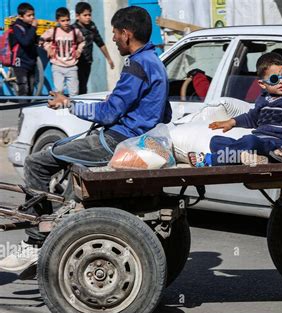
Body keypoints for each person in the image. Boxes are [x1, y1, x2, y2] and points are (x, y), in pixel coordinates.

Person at [0, 6, 172, 274]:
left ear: (126, 34)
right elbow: (162, 111)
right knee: (69, 160)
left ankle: (35, 240)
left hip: (116, 140)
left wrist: (69, 104)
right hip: (131, 137)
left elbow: (108, 113)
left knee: (36, 162)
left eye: (115, 33)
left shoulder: (136, 64)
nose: (113, 39)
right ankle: (60, 223)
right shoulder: (155, 61)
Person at [187, 52, 282, 167]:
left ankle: (210, 159)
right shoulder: (263, 99)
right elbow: (251, 118)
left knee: (249, 141)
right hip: (258, 140)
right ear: (262, 84)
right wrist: (232, 122)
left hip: (275, 145)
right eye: (274, 79)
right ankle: (245, 158)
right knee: (216, 141)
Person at [40, 7, 85, 96]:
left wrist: (79, 50)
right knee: (59, 91)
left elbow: (82, 41)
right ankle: (60, 108)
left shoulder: (75, 32)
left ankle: (73, 109)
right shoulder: (54, 31)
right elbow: (41, 40)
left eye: (68, 20)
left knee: (74, 92)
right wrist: (48, 48)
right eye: (63, 21)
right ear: (57, 21)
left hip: (72, 66)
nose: (66, 23)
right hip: (57, 66)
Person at [73, 2, 115, 94]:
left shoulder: (92, 26)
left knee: (83, 87)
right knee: (77, 87)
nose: (88, 17)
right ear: (77, 16)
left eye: (89, 15)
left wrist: (109, 59)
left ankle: (81, 105)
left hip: (87, 62)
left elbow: (100, 43)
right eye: (85, 15)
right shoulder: (73, 29)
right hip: (75, 63)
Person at [10, 2, 38, 97]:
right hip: (20, 62)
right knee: (24, 89)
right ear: (21, 17)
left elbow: (33, 41)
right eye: (29, 15)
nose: (32, 17)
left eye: (33, 15)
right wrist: (34, 28)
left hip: (30, 61)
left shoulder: (30, 27)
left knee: (30, 89)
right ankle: (22, 110)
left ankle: (27, 111)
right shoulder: (17, 27)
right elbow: (25, 42)